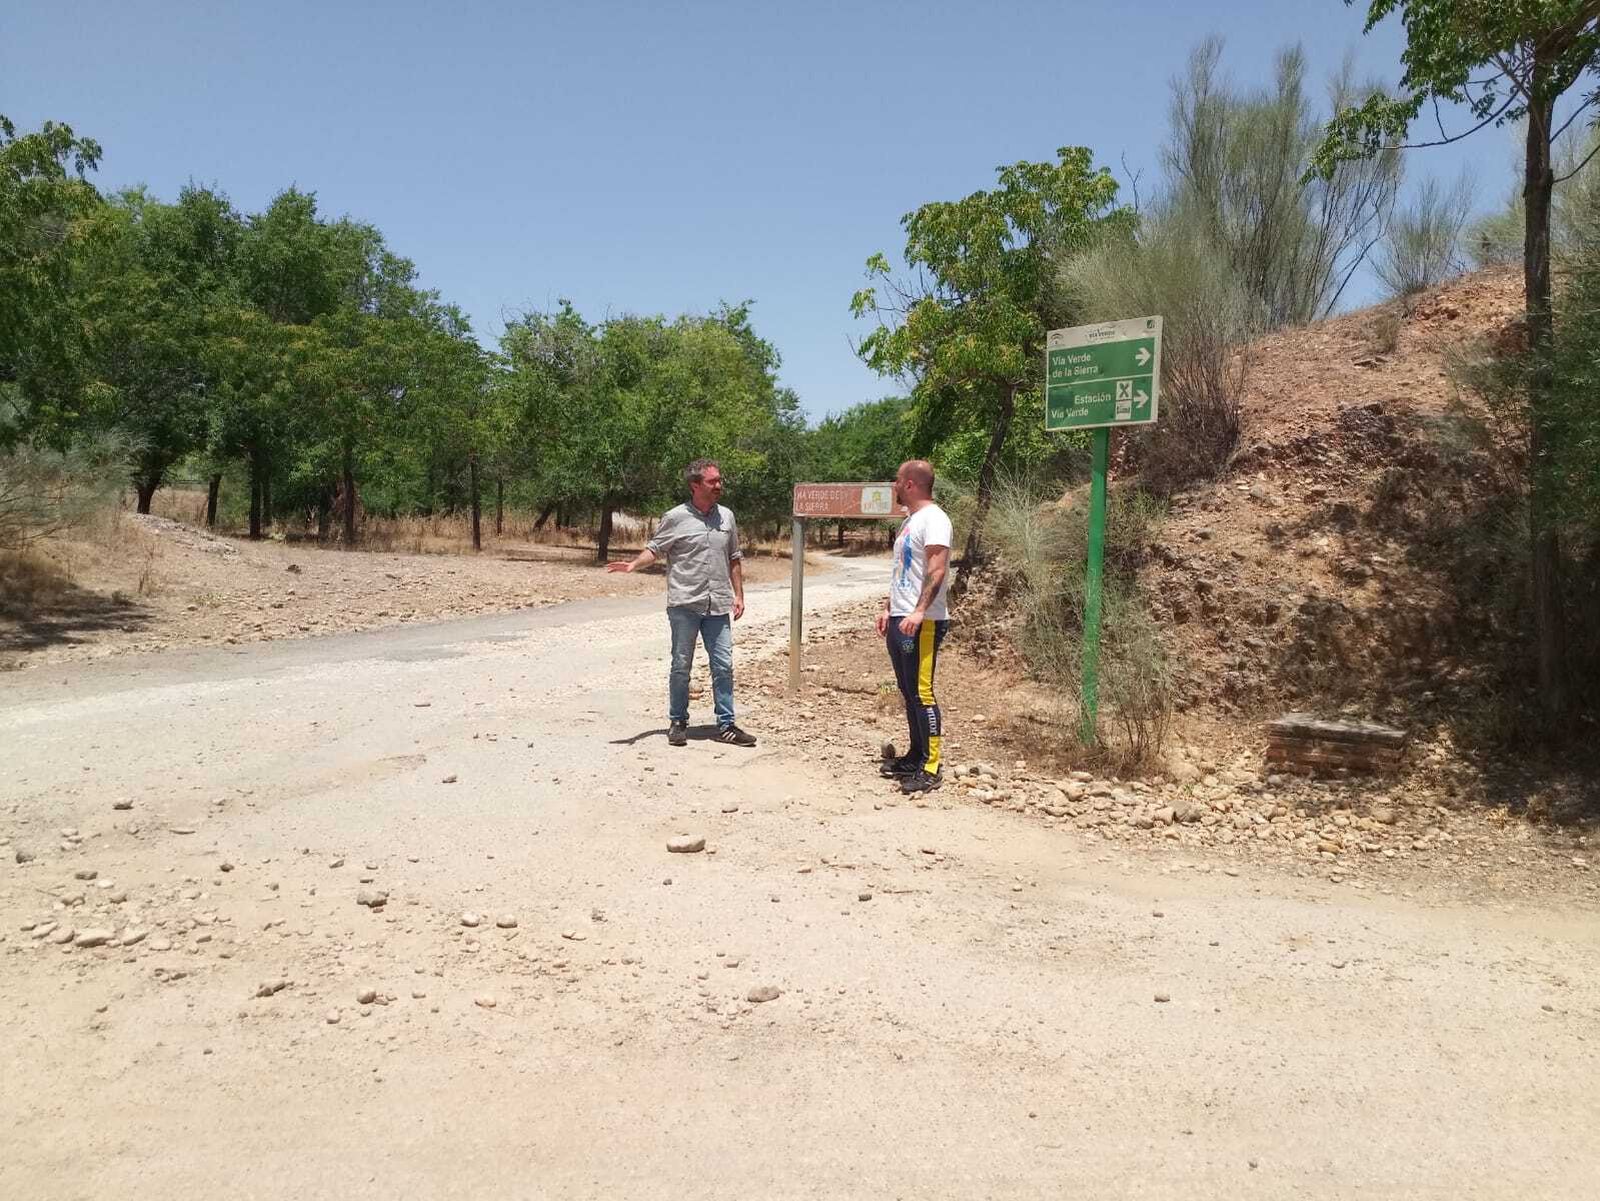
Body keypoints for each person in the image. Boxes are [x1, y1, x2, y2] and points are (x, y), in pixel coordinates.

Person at [606, 459, 757, 748]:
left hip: (717, 605)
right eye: (713, 482)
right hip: (684, 603)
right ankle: (678, 721)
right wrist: (633, 565)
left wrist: (739, 595)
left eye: (719, 480)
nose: (719, 486)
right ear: (695, 485)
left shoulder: (727, 517)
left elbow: (734, 557)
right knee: (681, 665)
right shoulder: (675, 517)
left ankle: (726, 724)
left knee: (723, 665)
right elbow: (655, 549)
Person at [876, 459, 952, 794]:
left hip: (923, 621)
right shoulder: (912, 520)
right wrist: (889, 607)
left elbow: (937, 569)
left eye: (896, 480)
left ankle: (931, 766)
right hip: (900, 617)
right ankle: (916, 754)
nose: (893, 485)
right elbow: (905, 573)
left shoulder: (935, 519)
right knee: (908, 693)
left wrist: (920, 611)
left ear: (909, 484)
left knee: (921, 693)